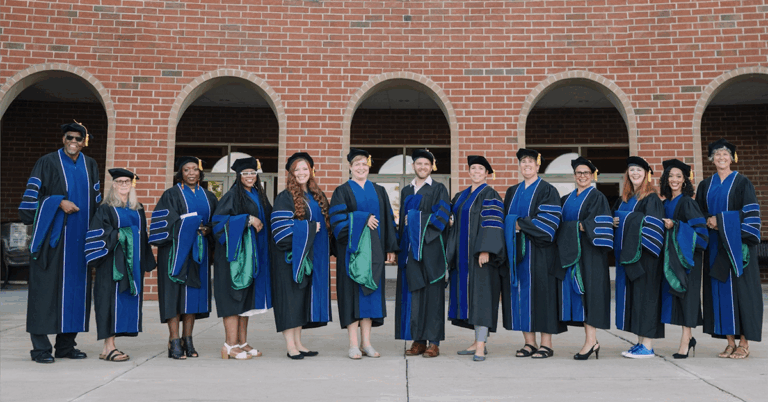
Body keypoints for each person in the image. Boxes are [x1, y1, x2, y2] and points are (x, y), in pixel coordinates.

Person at [18, 121, 101, 364]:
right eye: (69, 137)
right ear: (63, 138)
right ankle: (41, 349)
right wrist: (58, 202)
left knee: (76, 292)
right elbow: (30, 202)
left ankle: (66, 346)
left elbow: (95, 203)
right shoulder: (47, 162)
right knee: (44, 293)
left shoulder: (91, 165)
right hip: (52, 241)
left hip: (79, 242)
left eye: (78, 138)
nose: (73, 142)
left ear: (84, 141)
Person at [695, 139, 762, 359]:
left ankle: (744, 342)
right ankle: (730, 341)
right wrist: (708, 221)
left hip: (737, 247)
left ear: (732, 158)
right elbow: (699, 212)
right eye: (717, 155)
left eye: (725, 155)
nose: (721, 158)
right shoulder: (706, 185)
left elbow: (750, 215)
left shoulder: (743, 183)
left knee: (741, 292)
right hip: (715, 247)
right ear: (711, 159)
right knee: (718, 292)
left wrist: (720, 221)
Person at [330, 148, 398, 360]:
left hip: (375, 254)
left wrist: (390, 248)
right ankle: (352, 344)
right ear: (350, 167)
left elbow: (387, 221)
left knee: (369, 295)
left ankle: (366, 343)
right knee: (352, 296)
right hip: (352, 254)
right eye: (357, 164)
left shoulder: (379, 191)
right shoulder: (342, 191)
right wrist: (362, 218)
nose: (361, 167)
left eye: (364, 164)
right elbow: (337, 222)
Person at [149, 156, 218, 359]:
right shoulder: (171, 194)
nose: (191, 173)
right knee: (174, 296)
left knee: (193, 297)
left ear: (200, 173)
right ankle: (174, 340)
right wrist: (187, 229)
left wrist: (208, 230)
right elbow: (163, 222)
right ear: (181, 173)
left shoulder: (208, 196)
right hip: (175, 253)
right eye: (186, 169)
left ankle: (188, 340)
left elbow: (216, 221)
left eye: (195, 169)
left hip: (199, 252)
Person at [85, 168, 156, 362]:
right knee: (108, 301)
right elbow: (99, 234)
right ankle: (108, 348)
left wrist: (144, 261)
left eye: (127, 181)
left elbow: (143, 237)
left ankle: (110, 346)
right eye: (119, 181)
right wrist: (121, 234)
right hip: (111, 264)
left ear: (132, 184)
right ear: (114, 184)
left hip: (132, 266)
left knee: (126, 301)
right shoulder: (105, 208)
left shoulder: (137, 208)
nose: (123, 185)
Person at [502, 149, 566, 359]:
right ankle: (529, 343)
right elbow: (505, 220)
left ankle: (546, 344)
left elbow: (549, 224)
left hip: (541, 254)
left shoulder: (548, 190)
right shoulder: (512, 191)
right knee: (520, 296)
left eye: (530, 161)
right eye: (523, 162)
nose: (526, 165)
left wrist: (519, 223)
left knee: (543, 297)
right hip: (517, 256)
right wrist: (514, 224)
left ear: (538, 166)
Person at [269, 152, 331, 359]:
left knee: (301, 300)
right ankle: (290, 346)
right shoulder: (285, 197)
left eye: (306, 169)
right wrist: (311, 227)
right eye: (297, 170)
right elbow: (280, 231)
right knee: (290, 300)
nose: (302, 173)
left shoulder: (316, 195)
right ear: (291, 173)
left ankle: (298, 342)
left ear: (311, 171)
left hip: (310, 258)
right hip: (290, 258)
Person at [211, 157, 272, 360]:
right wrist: (247, 219)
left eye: (252, 173)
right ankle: (229, 345)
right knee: (233, 299)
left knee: (246, 300)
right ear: (239, 176)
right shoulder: (231, 196)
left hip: (252, 257)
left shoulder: (258, 195)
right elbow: (218, 223)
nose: (249, 176)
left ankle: (242, 342)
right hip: (234, 258)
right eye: (245, 173)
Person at [446, 155, 505, 362]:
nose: (476, 171)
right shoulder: (461, 196)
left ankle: (481, 346)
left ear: (487, 173)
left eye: (481, 168)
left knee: (481, 299)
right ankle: (476, 341)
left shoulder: (491, 195)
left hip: (480, 257)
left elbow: (493, 223)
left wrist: (486, 250)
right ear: (469, 171)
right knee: (470, 299)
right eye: (473, 168)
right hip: (463, 259)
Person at [556, 157, 613, 360]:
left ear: (592, 176)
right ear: (574, 176)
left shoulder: (598, 197)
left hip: (591, 255)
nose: (582, 176)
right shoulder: (566, 199)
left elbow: (598, 224)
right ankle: (591, 342)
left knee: (591, 296)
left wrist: (579, 226)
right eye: (579, 173)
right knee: (579, 297)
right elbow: (562, 225)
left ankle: (591, 342)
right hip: (572, 256)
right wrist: (575, 227)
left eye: (586, 173)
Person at [396, 149, 451, 358]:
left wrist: (417, 220)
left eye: (426, 164)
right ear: (413, 166)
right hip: (411, 252)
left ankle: (434, 342)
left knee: (434, 296)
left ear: (432, 166)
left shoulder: (439, 189)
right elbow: (403, 223)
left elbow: (442, 218)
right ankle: (418, 340)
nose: (422, 167)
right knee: (415, 296)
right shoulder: (406, 191)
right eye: (419, 164)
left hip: (431, 250)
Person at [612, 156, 665, 358]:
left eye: (639, 171)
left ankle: (648, 346)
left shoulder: (651, 198)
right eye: (632, 170)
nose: (635, 173)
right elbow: (616, 220)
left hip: (646, 258)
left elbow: (654, 227)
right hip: (628, 258)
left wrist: (624, 220)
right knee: (636, 300)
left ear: (646, 175)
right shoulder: (625, 199)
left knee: (647, 298)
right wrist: (615, 221)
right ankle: (640, 342)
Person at [659, 159, 708, 359]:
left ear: (685, 180)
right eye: (671, 176)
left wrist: (676, 225)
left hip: (688, 260)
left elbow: (702, 234)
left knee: (687, 298)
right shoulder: (664, 203)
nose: (674, 180)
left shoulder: (688, 202)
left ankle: (686, 340)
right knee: (677, 299)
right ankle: (688, 338)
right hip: (672, 259)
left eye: (679, 176)